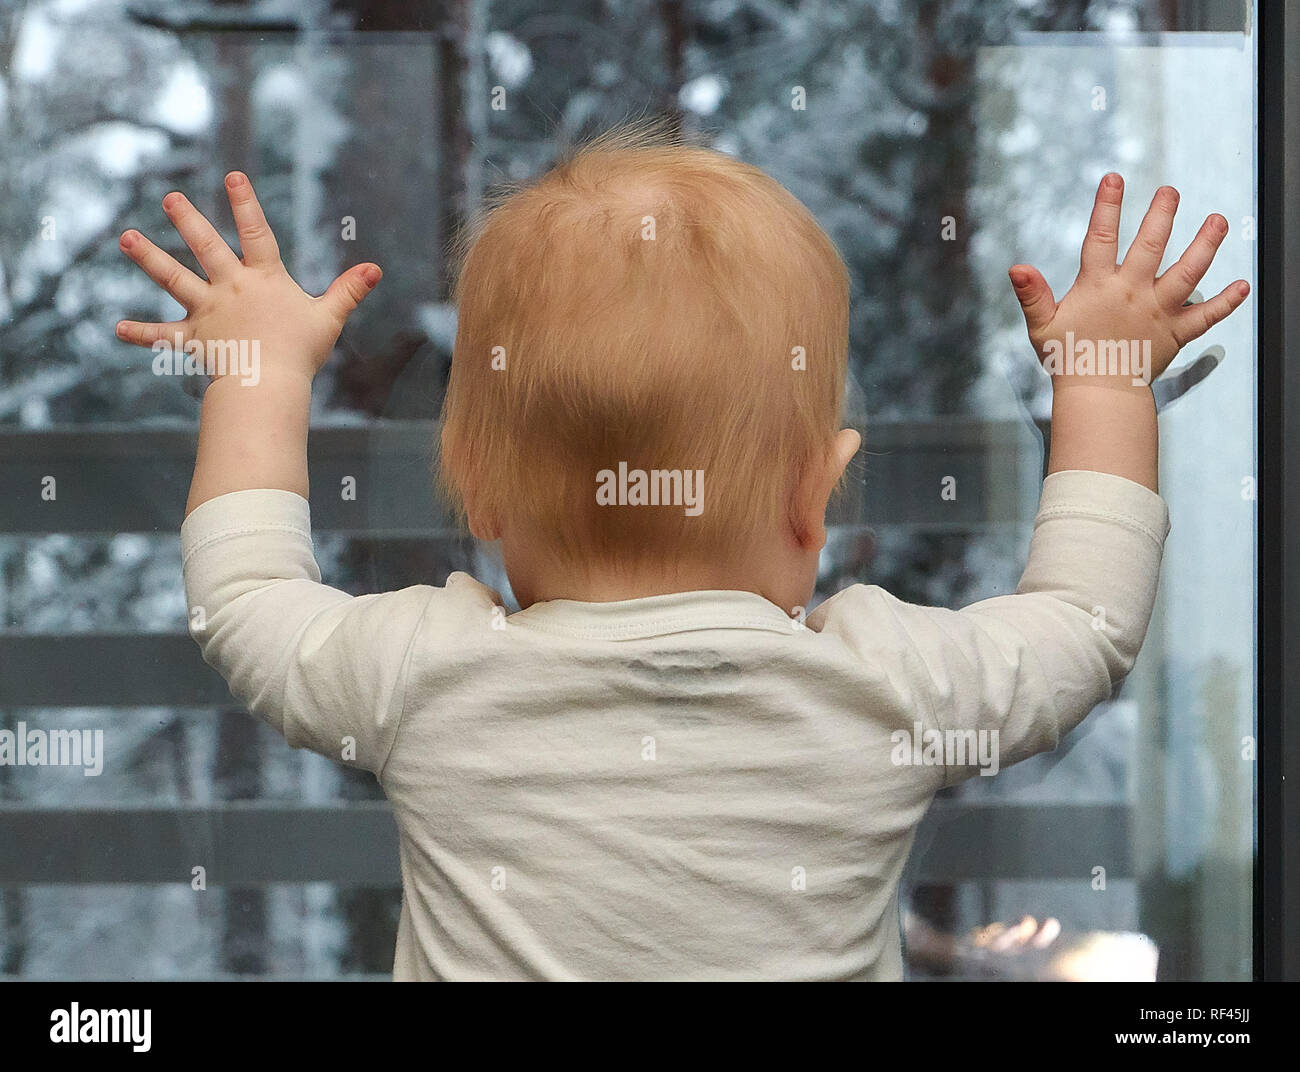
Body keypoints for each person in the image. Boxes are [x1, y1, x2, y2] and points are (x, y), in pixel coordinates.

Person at [115, 128, 1248, 980]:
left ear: (483, 492)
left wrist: (257, 374)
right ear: (817, 493)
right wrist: (1102, 381)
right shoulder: (887, 687)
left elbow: (247, 599)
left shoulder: (421, 675)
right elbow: (1084, 625)